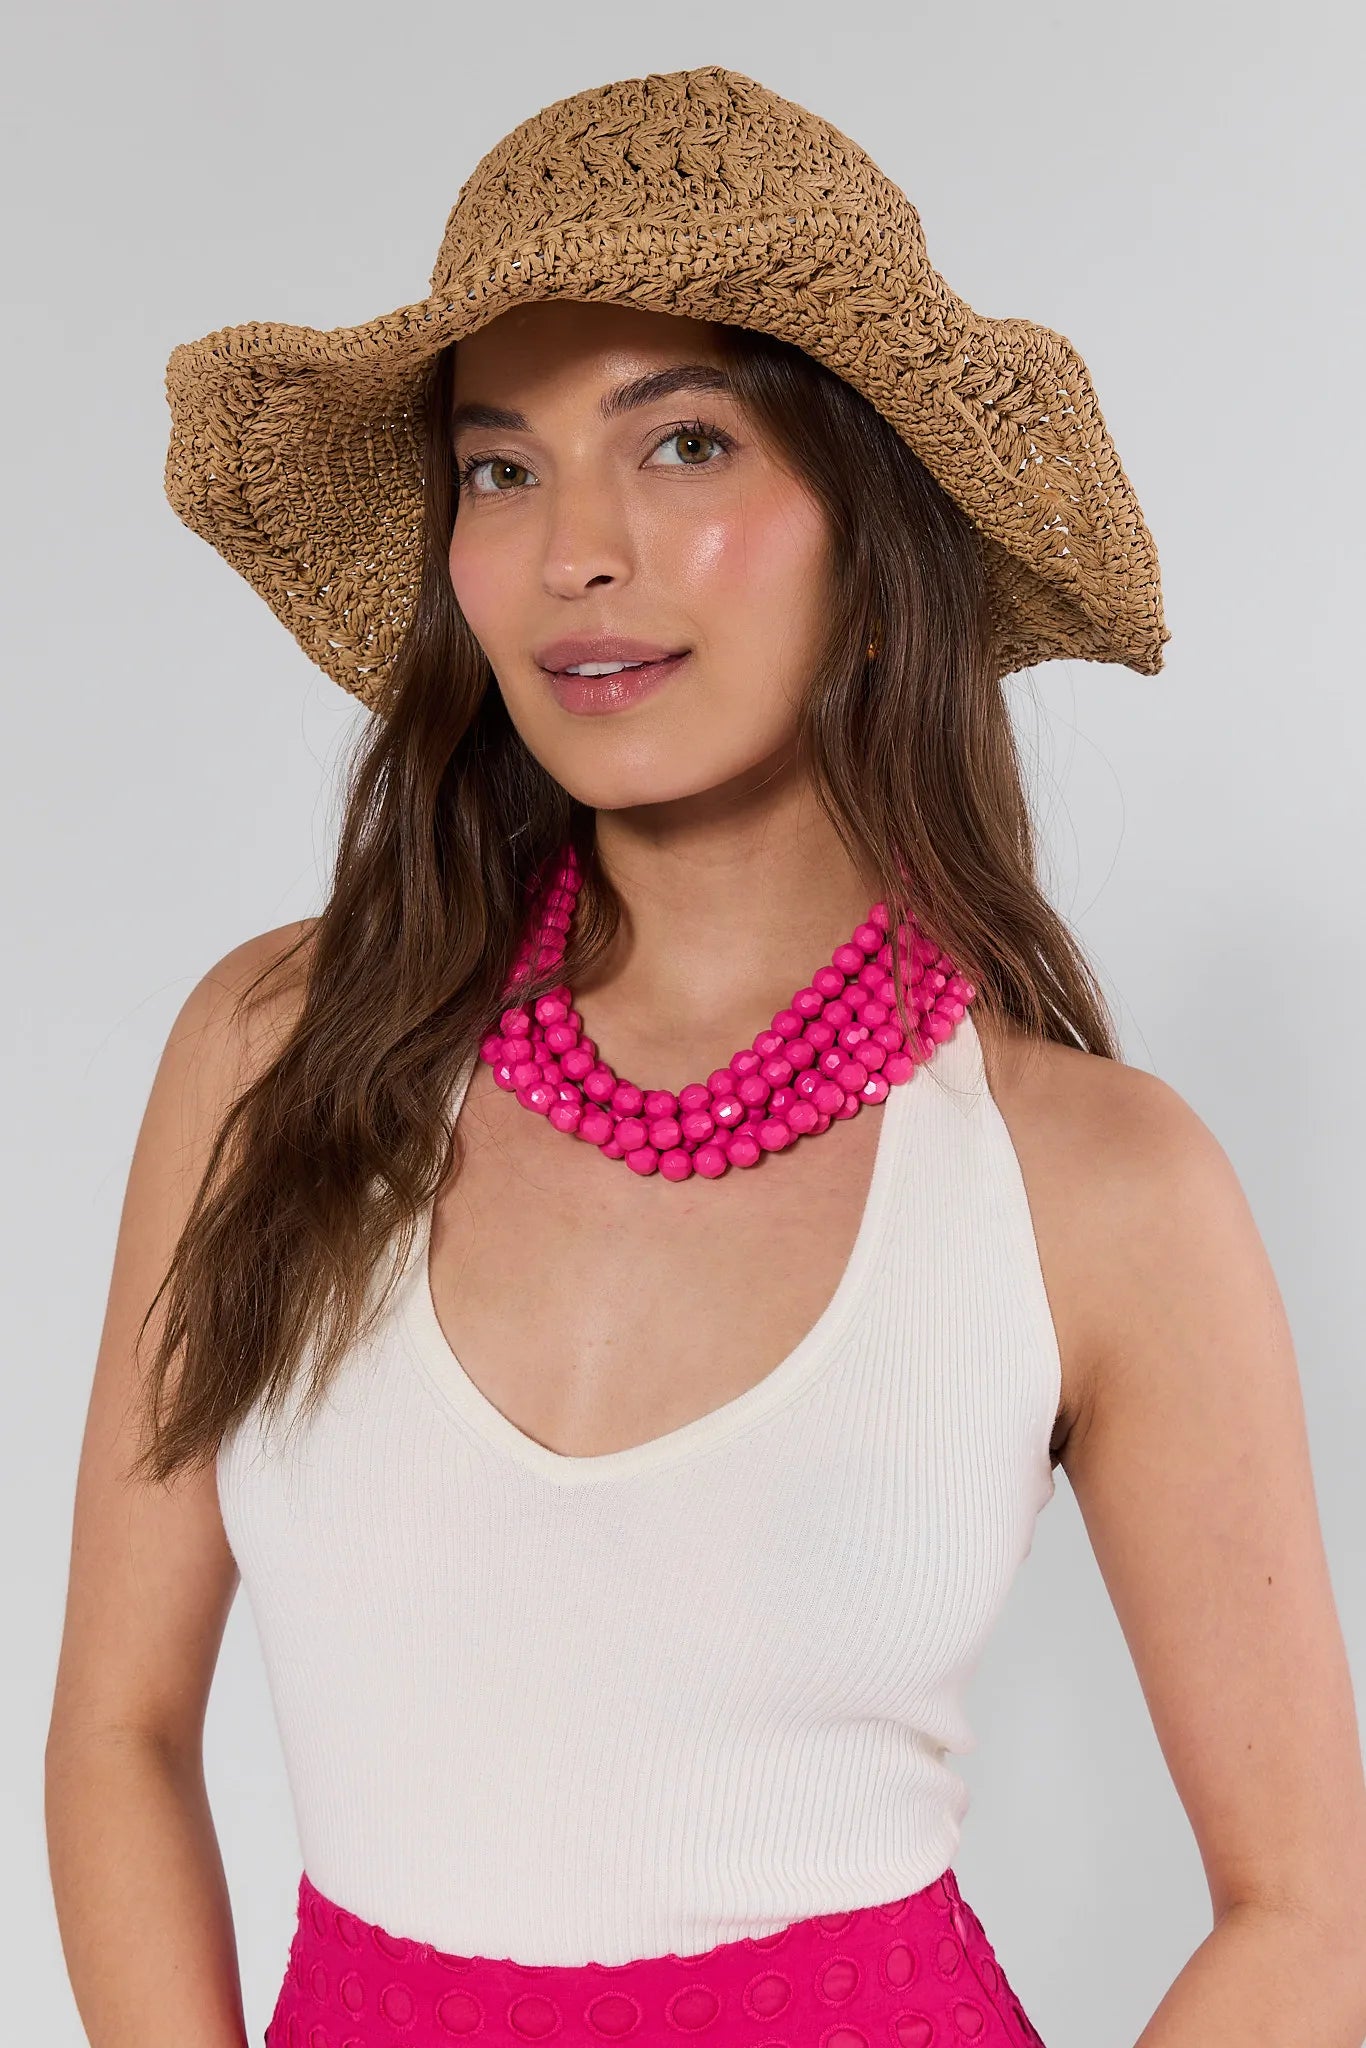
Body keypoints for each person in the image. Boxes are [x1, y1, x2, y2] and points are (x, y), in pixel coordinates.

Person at [45, 63, 1366, 2048]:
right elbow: (117, 1736)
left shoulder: (1089, 1182)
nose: (576, 546)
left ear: (868, 528)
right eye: (500, 466)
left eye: (679, 444)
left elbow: (1304, 1913)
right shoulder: (274, 1054)